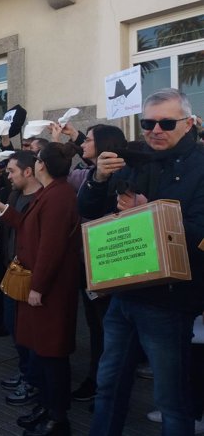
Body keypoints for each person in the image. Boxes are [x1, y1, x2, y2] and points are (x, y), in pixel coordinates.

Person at [78, 89, 204, 436]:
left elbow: (199, 233)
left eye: (166, 122)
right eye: (148, 122)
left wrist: (148, 214)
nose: (155, 130)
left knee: (172, 403)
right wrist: (97, 179)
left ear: (189, 123)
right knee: (108, 387)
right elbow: (88, 214)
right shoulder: (132, 158)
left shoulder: (201, 165)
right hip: (124, 291)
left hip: (171, 300)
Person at [0, 142, 82, 436]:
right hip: (40, 286)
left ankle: (58, 418)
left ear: (42, 166)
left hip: (50, 291)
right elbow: (29, 226)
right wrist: (3, 210)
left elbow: (51, 247)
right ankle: (45, 405)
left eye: (38, 159)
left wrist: (38, 287)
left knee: (53, 354)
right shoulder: (48, 193)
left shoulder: (59, 196)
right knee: (41, 350)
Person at [65, 124, 127, 403]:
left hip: (111, 261)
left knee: (108, 327)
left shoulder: (124, 178)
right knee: (96, 324)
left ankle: (104, 384)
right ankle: (100, 380)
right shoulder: (86, 174)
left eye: (87, 140)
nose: (83, 144)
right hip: (87, 262)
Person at [0, 150, 43, 405]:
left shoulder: (42, 198)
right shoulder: (15, 195)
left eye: (12, 171)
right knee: (13, 325)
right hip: (12, 270)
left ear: (28, 171)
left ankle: (33, 380)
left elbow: (30, 230)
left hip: (31, 276)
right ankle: (25, 369)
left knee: (31, 332)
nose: (8, 176)